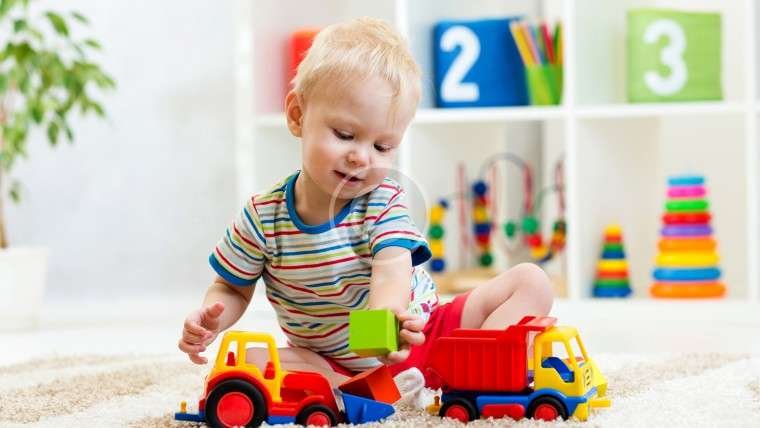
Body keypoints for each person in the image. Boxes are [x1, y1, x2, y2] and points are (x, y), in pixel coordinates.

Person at [178, 17, 553, 388]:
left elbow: (391, 270)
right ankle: (358, 388)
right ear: (297, 115)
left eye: (382, 146)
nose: (361, 157)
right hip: (331, 362)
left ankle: (478, 366)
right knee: (244, 362)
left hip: (424, 336)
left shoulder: (383, 201)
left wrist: (388, 321)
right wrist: (212, 319)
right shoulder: (262, 218)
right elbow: (232, 287)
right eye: (345, 135)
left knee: (531, 281)